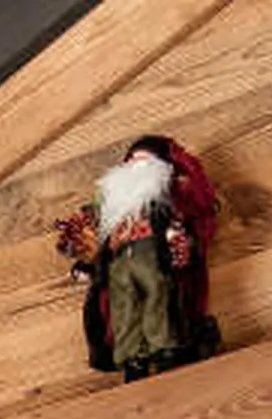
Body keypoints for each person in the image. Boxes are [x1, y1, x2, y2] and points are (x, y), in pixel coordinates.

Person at [61, 135, 222, 382]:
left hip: (150, 254)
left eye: (144, 161)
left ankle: (163, 347)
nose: (136, 165)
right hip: (119, 262)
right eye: (132, 160)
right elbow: (94, 240)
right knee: (123, 308)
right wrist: (87, 261)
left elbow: (186, 219)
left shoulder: (162, 202)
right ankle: (132, 357)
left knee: (157, 297)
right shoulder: (112, 208)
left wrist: (176, 240)